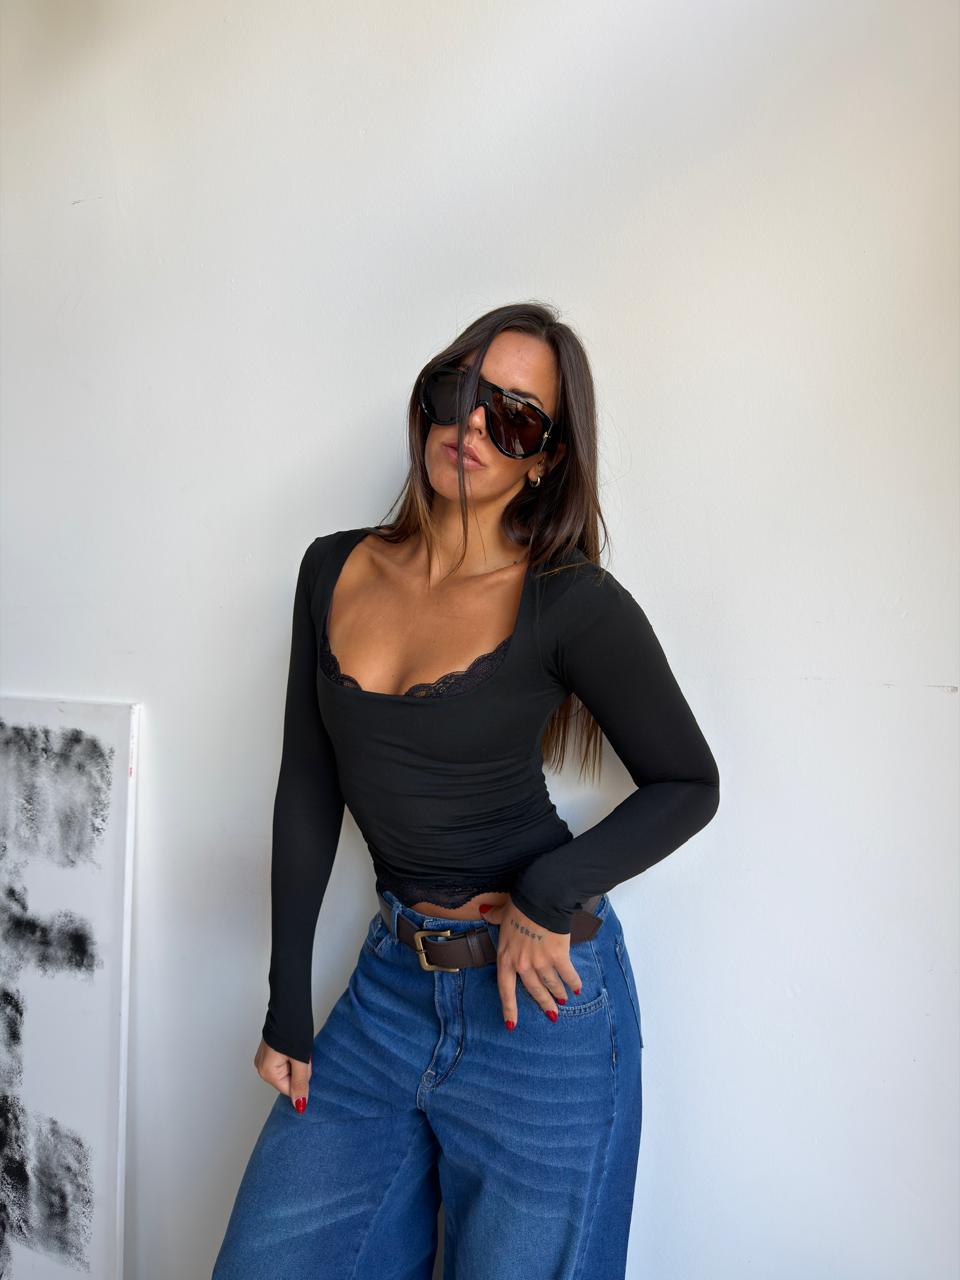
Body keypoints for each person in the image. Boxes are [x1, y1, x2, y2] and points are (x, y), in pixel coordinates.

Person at [211, 301, 720, 1279]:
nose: (474, 425)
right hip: (389, 994)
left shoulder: (569, 600)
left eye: (516, 418)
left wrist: (549, 890)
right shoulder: (332, 567)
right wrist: (285, 1002)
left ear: (546, 460)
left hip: (542, 1010)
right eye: (460, 391)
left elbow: (689, 782)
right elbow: (308, 786)